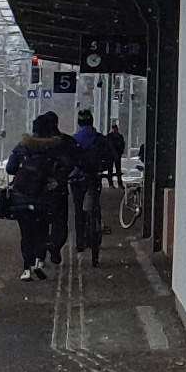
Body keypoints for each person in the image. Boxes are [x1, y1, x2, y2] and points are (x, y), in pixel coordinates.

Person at [4, 111, 74, 281]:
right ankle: (38, 261)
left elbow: (10, 168)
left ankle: (26, 268)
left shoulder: (22, 146)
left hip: (22, 197)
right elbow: (66, 166)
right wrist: (56, 180)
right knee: (42, 230)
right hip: (44, 197)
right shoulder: (53, 147)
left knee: (26, 233)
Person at [66, 107, 118, 265]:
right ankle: (96, 235)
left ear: (79, 122)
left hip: (76, 179)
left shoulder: (73, 139)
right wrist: (104, 170)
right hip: (93, 177)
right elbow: (112, 156)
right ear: (92, 122)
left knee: (78, 210)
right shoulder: (100, 139)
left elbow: (67, 160)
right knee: (94, 206)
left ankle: (80, 242)